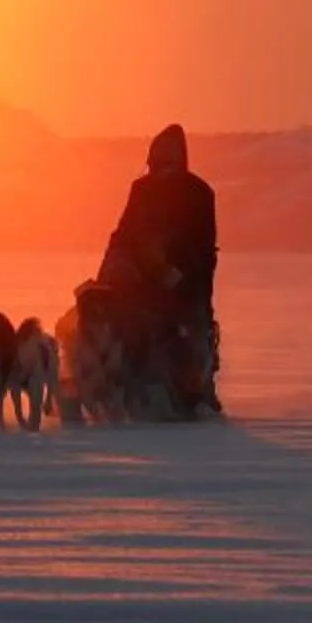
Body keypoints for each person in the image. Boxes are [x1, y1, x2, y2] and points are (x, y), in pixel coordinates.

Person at [97, 123, 220, 409]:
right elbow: (123, 232)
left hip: (182, 280)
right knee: (111, 317)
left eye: (164, 161)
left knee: (189, 331)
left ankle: (194, 386)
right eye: (155, 162)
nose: (159, 169)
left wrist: (191, 281)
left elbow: (203, 246)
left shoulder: (198, 192)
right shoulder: (141, 189)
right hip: (136, 276)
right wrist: (109, 268)